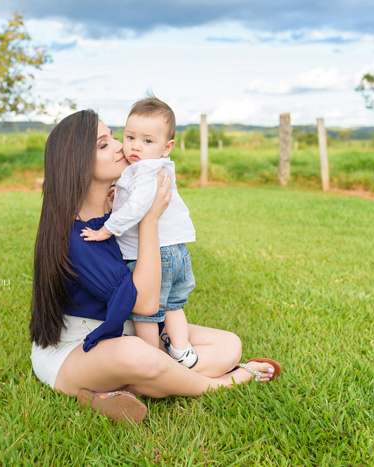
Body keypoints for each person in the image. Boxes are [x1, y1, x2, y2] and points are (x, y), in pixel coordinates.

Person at [29, 109, 281, 425]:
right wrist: (150, 220)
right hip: (76, 350)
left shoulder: (116, 208)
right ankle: (219, 383)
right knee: (136, 353)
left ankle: (110, 391)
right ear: (77, 164)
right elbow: (146, 304)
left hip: (122, 331)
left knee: (228, 345)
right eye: (104, 144)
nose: (122, 146)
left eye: (115, 137)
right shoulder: (78, 237)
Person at [80, 96, 198, 368]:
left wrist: (107, 229)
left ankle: (153, 361)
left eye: (147, 141)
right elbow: (132, 197)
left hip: (157, 254)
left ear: (167, 147)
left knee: (147, 314)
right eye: (130, 136)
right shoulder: (156, 167)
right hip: (176, 249)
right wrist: (117, 193)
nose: (134, 147)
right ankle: (182, 352)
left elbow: (138, 206)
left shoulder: (145, 170)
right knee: (174, 305)